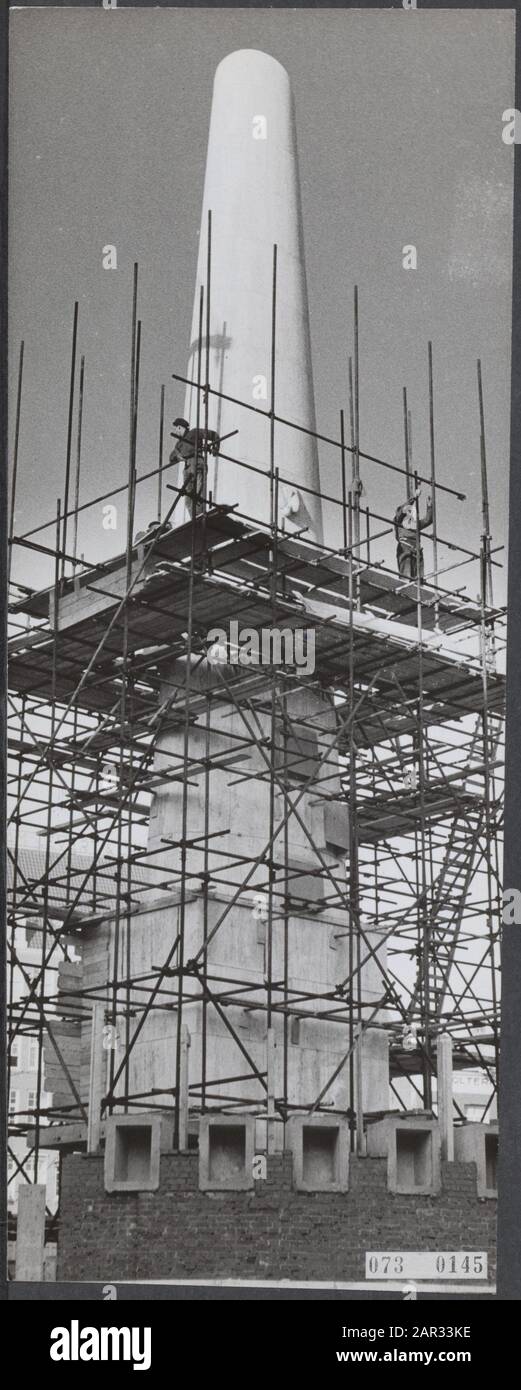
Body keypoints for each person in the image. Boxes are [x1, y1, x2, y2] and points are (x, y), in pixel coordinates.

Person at [169, 417, 220, 517]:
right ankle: (195, 519)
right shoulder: (179, 443)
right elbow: (171, 457)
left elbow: (214, 435)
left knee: (199, 493)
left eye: (176, 429)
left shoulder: (194, 433)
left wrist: (215, 448)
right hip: (187, 467)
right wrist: (177, 455)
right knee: (188, 498)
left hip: (197, 462)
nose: (176, 431)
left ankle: (200, 516)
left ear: (180, 427)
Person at [394, 483, 433, 580]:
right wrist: (414, 498)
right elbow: (402, 511)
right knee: (406, 576)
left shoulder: (414, 524)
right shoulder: (399, 520)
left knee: (418, 578)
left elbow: (428, 520)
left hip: (417, 549)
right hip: (405, 547)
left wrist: (429, 507)